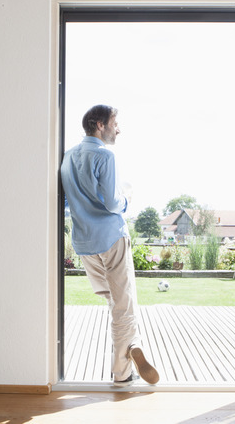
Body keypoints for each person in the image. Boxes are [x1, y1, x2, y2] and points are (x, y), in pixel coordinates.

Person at [60, 104, 159, 387]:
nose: (118, 128)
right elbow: (113, 203)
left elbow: (66, 201)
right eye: (115, 123)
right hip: (111, 237)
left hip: (84, 243)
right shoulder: (105, 155)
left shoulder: (67, 157)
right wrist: (127, 199)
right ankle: (122, 370)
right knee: (124, 306)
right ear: (99, 124)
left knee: (114, 303)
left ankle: (130, 347)